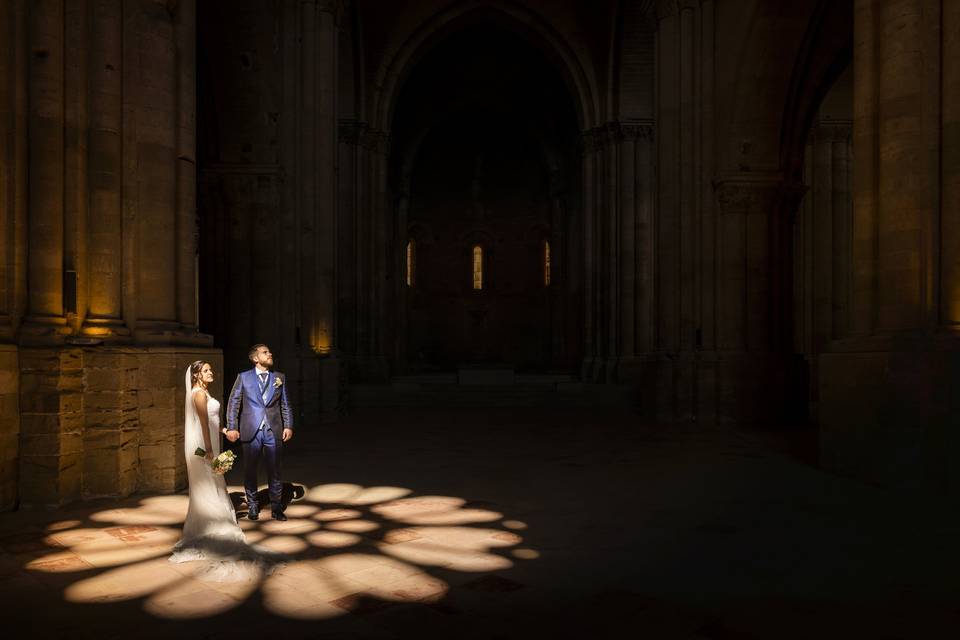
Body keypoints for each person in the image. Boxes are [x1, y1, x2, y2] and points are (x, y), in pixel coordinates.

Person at [170, 360, 281, 580]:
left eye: (210, 369)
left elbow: (210, 421)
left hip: (208, 440)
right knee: (209, 483)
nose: (211, 372)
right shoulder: (198, 394)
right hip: (203, 445)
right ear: (196, 375)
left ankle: (210, 521)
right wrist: (210, 450)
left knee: (215, 483)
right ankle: (211, 525)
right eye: (206, 370)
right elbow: (201, 423)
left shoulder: (202, 392)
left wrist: (224, 430)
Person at [225, 344, 294, 521]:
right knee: (250, 469)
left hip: (274, 429)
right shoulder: (243, 377)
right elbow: (234, 402)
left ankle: (277, 507)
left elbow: (285, 404)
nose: (270, 353)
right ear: (255, 358)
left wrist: (288, 425)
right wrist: (232, 426)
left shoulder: (279, 377)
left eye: (269, 351)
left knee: (275, 469)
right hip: (250, 428)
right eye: (265, 352)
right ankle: (253, 505)